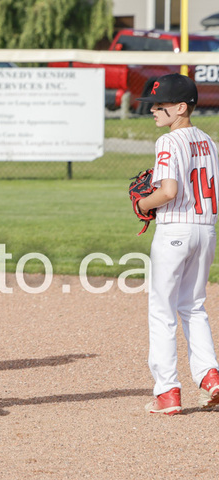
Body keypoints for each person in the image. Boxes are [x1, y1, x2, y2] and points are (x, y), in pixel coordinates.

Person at [134, 73, 219, 415]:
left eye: (161, 105)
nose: (153, 109)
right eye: (153, 104)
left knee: (162, 310)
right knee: (193, 306)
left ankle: (167, 391)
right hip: (206, 229)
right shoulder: (210, 142)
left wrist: (142, 204)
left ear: (181, 108)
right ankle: (210, 376)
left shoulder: (169, 142)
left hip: (175, 230)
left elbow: (167, 192)